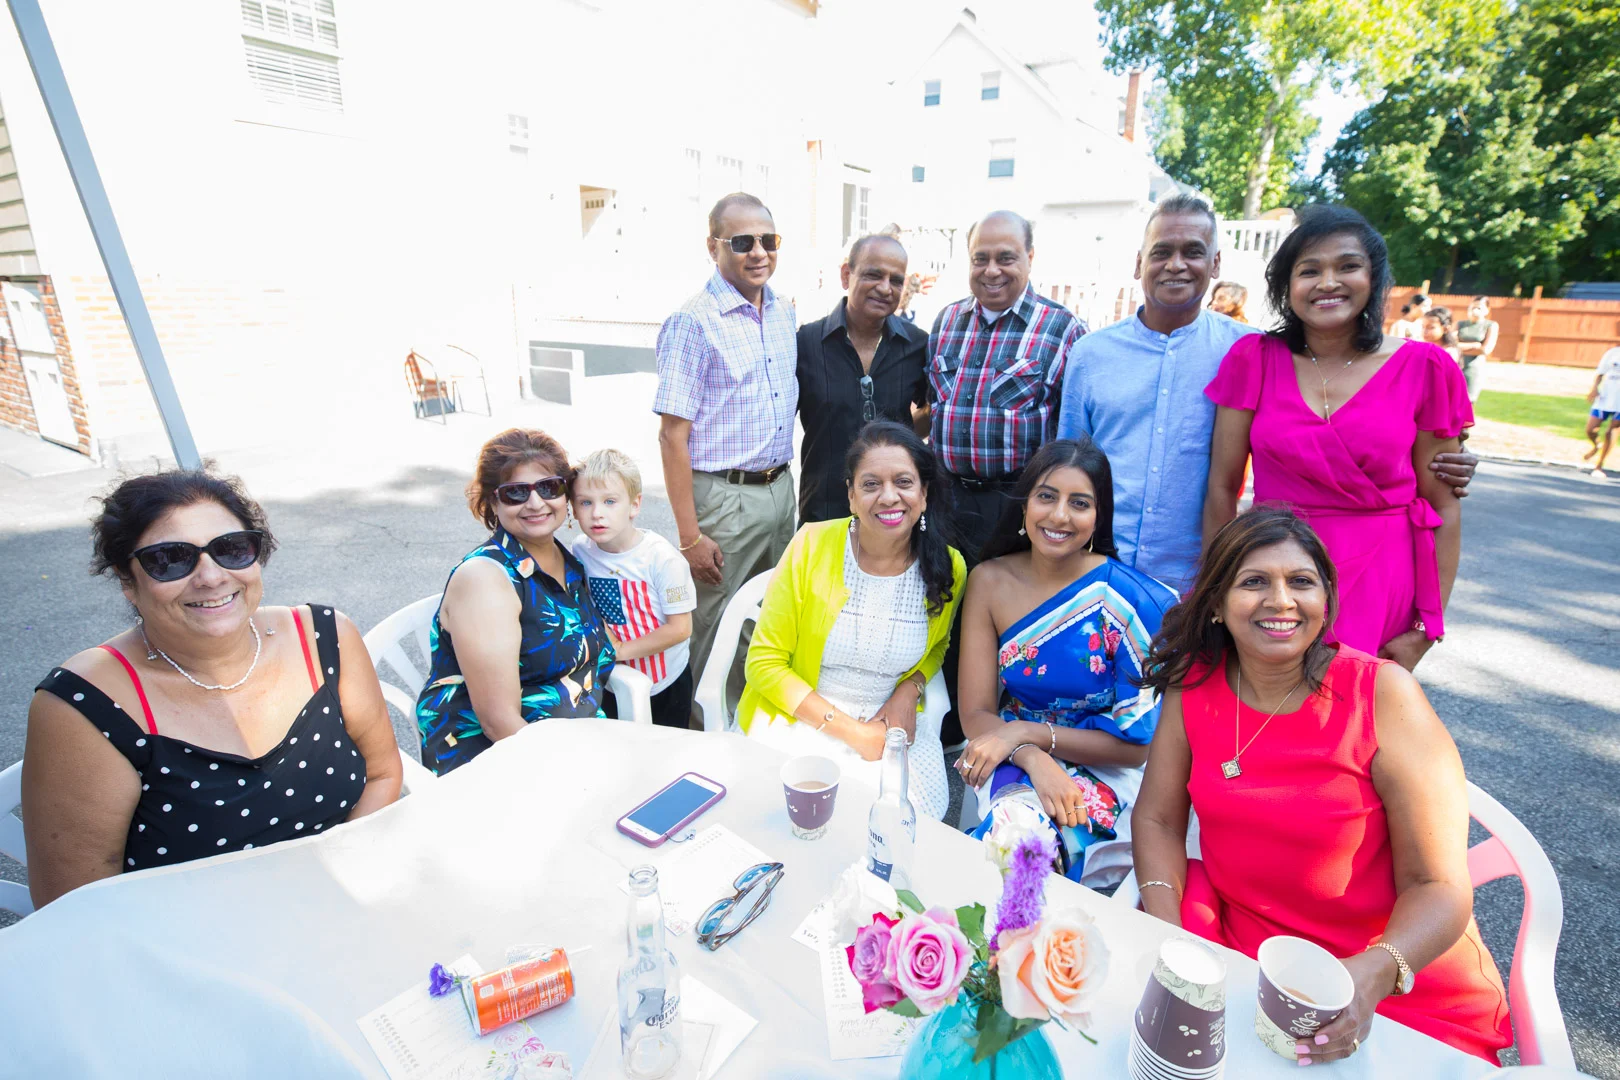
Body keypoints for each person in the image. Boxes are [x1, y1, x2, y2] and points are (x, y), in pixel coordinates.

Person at [1131, 507, 1511, 1064]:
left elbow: (1439, 885)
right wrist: (1167, 934)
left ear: (1326, 600)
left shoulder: (1384, 694)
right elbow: (1158, 819)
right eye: (1253, 582)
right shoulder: (1195, 684)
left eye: (1301, 582)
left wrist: (1376, 973)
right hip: (1246, 953)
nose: (1281, 600)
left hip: (1391, 974)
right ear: (1215, 603)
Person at [24, 470, 402, 907]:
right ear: (127, 580)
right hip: (184, 939)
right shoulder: (84, 707)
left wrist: (336, 887)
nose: (211, 576)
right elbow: (72, 904)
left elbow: (382, 774)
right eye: (170, 559)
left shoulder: (325, 638)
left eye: (231, 548)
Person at [1204, 205, 1471, 670]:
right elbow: (1222, 487)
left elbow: (1444, 507)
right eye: (1309, 271)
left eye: (1347, 266)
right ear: (1286, 286)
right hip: (1275, 577)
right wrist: (1218, 594)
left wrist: (1428, 627)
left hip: (1381, 582)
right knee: (1263, 706)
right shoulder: (1253, 359)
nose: (1328, 282)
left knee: (1360, 710)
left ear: (1374, 278)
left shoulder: (1427, 368)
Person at [955, 439, 1178, 887]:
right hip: (1008, 748)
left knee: (1038, 855)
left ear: (1099, 516)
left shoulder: (1133, 601)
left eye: (1079, 503)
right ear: (1024, 504)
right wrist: (1032, 755)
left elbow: (1136, 747)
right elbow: (975, 713)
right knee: (1016, 843)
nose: (1059, 516)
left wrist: (1031, 734)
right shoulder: (989, 581)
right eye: (1046, 496)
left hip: (1105, 765)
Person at [739, 421, 966, 821]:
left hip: (889, 726)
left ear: (924, 493)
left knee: (894, 829)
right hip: (801, 718)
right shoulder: (811, 545)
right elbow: (763, 663)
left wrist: (910, 688)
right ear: (851, 495)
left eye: (904, 482)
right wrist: (854, 734)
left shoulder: (949, 566)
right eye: (871, 484)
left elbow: (938, 647)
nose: (889, 496)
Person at [930, 210, 1086, 744]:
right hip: (948, 497)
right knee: (945, 606)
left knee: (1012, 617)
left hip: (1014, 502)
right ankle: (949, 722)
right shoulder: (947, 321)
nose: (992, 270)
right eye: (981, 258)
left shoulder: (1062, 330)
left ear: (1030, 258)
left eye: (1006, 257)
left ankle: (1005, 726)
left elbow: (1070, 430)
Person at [1057, 194, 1253, 594]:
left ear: (1215, 263)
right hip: (1098, 573)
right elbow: (1070, 466)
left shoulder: (1246, 351)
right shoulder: (1091, 354)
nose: (1176, 264)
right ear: (1138, 263)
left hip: (1197, 581)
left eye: (1192, 252)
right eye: (1161, 252)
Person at [655, 192, 798, 692]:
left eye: (768, 240)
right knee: (717, 624)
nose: (758, 252)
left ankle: (751, 718)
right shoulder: (693, 322)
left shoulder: (783, 313)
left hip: (780, 489)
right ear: (713, 247)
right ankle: (706, 726)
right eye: (742, 242)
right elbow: (672, 436)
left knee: (769, 614)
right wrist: (690, 536)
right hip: (724, 497)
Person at [417, 429, 616, 774]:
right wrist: (577, 772)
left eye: (549, 487)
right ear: (492, 502)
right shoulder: (484, 580)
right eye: (516, 493)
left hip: (578, 741)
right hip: (500, 763)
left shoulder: (568, 561)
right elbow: (499, 723)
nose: (536, 503)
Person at [796, 235, 929, 524]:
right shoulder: (807, 343)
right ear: (846, 275)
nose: (885, 288)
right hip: (824, 511)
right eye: (873, 275)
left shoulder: (918, 345)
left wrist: (898, 434)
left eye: (896, 280)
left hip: (892, 511)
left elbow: (930, 411)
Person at [569, 449, 696, 728]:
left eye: (610, 501)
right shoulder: (581, 550)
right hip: (612, 678)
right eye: (585, 502)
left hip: (665, 681)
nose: (597, 513)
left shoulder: (662, 559)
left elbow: (680, 628)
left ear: (634, 505)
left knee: (666, 745)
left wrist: (620, 650)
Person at [1585, 344, 1620, 479]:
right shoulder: (1613, 352)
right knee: (1590, 429)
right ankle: (1596, 445)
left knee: (1611, 431)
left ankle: (1599, 465)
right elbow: (1600, 373)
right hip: (1605, 397)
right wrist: (1594, 389)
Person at [1455, 296, 1499, 403]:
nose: (1475, 310)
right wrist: (1474, 345)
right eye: (1472, 307)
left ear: (1487, 310)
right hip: (1456, 365)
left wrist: (1460, 347)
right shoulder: (1460, 324)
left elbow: (1485, 350)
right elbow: (1451, 344)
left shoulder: (1490, 325)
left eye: (1479, 308)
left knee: (1468, 401)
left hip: (1473, 368)